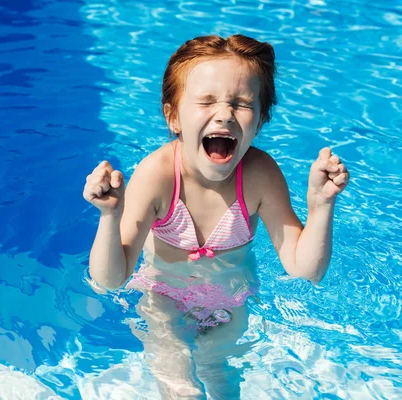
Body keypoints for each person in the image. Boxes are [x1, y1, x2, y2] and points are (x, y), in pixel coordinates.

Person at [82, 34, 349, 399]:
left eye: (242, 103)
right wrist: (110, 216)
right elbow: (110, 279)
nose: (224, 113)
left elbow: (306, 271)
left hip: (231, 299)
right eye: (206, 101)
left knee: (221, 380)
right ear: (173, 116)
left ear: (260, 120)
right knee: (183, 390)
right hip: (164, 297)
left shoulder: (260, 175)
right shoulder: (157, 176)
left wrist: (321, 205)